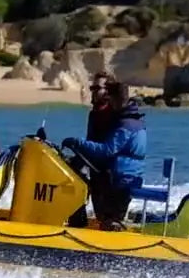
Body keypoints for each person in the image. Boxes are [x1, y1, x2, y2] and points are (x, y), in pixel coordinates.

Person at [62, 81, 146, 231]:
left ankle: (109, 231)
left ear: (115, 99)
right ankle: (97, 223)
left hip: (122, 179)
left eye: (110, 99)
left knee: (92, 185)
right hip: (125, 175)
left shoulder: (126, 124)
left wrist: (78, 142)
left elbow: (107, 149)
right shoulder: (133, 119)